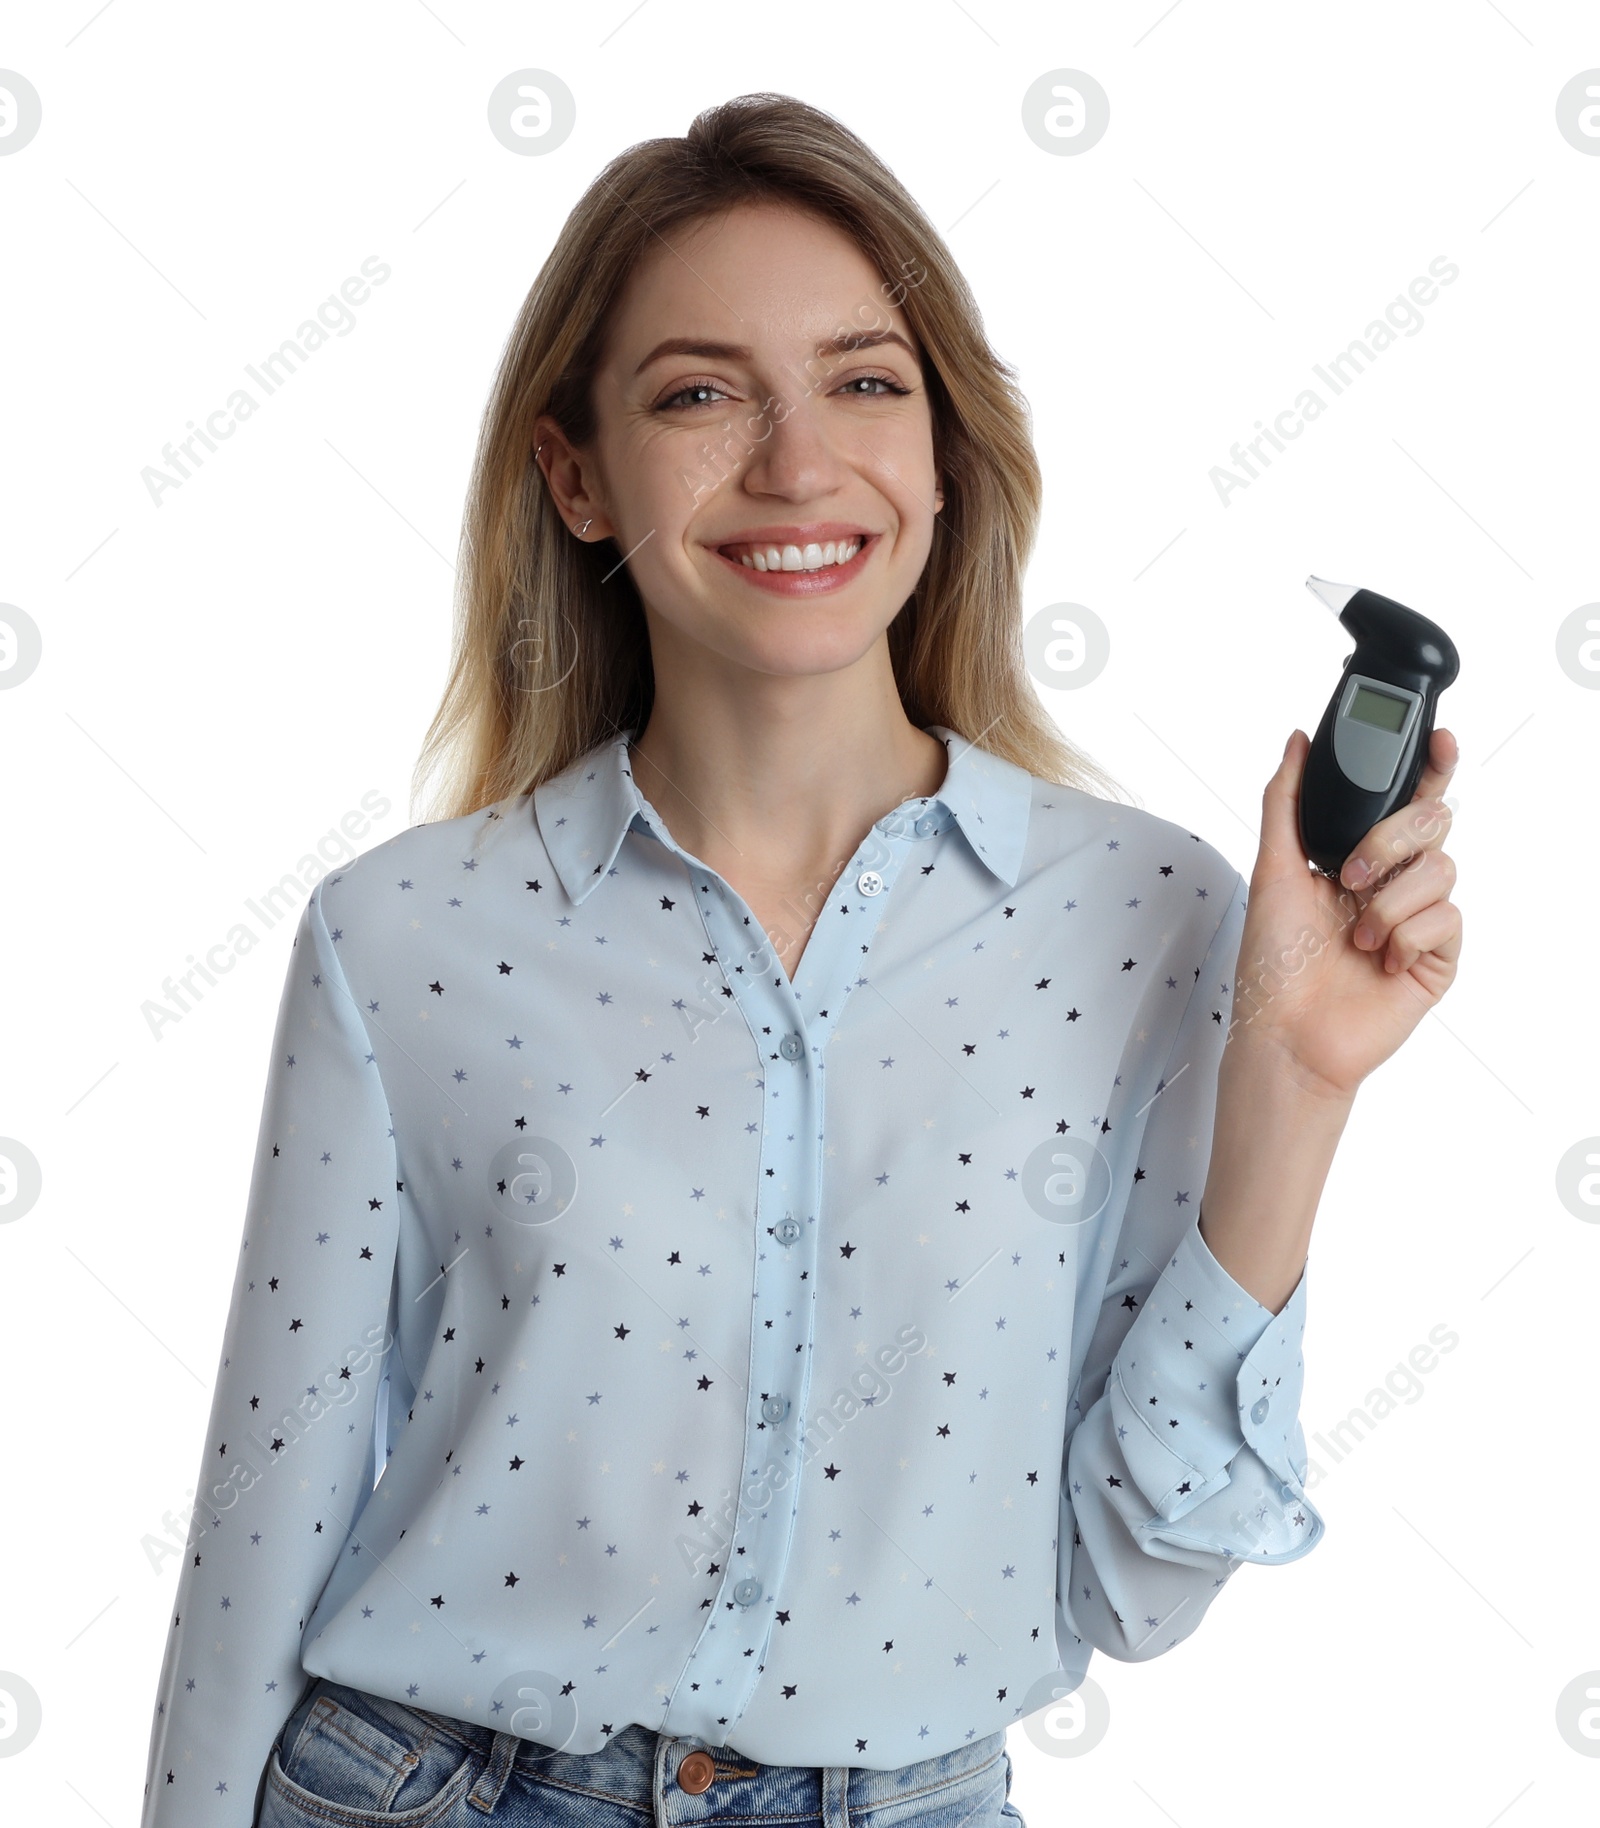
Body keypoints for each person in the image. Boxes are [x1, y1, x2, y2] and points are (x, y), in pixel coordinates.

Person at [138, 92, 1461, 1828]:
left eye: (864, 381)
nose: (795, 463)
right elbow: (265, 1518)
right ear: (577, 475)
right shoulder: (402, 938)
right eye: (701, 393)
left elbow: (1139, 1584)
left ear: (939, 457)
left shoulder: (1156, 921)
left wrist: (1294, 1081)